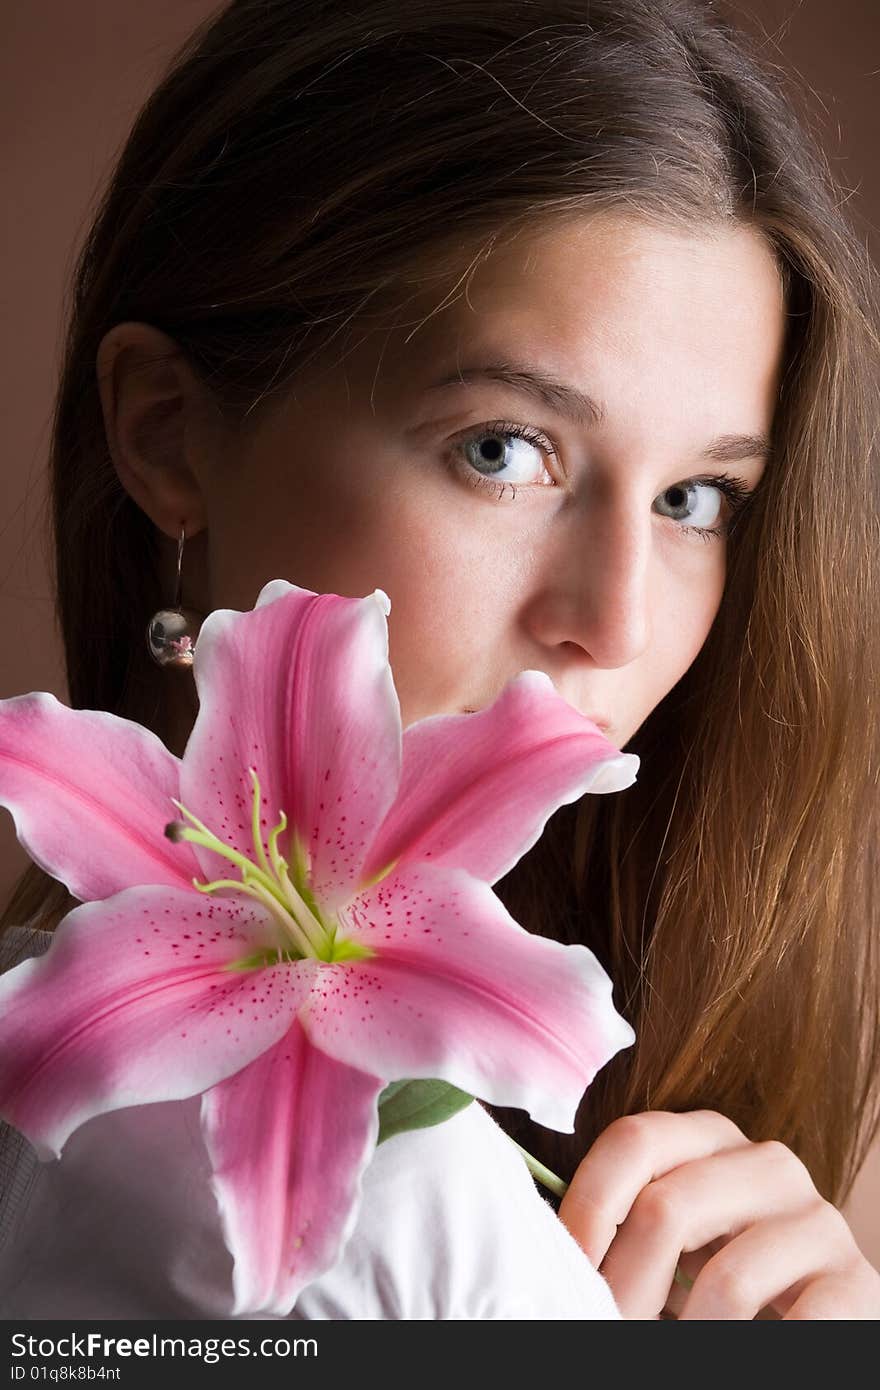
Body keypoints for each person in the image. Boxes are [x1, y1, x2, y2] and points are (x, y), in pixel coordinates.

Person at [1, 0, 879, 1319]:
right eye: (503, 451)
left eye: (695, 499)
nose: (619, 623)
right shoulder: (403, 1216)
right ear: (170, 435)